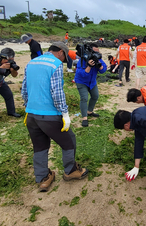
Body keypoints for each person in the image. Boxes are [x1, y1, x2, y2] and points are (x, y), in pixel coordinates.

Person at [22, 41, 88, 192]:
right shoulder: (55, 64)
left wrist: (29, 106)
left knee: (40, 146)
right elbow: (57, 92)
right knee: (69, 141)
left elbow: (24, 89)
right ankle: (71, 171)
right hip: (49, 115)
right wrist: (64, 113)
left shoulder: (31, 63)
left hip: (31, 115)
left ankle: (43, 178)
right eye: (64, 58)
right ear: (61, 52)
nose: (63, 61)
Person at [75, 43, 107, 127]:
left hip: (92, 82)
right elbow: (81, 74)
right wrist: (89, 66)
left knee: (95, 96)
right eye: (95, 52)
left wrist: (100, 67)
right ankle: (84, 118)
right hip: (81, 81)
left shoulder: (98, 59)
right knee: (84, 98)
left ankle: (89, 111)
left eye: (98, 52)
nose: (97, 54)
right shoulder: (82, 59)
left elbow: (103, 69)